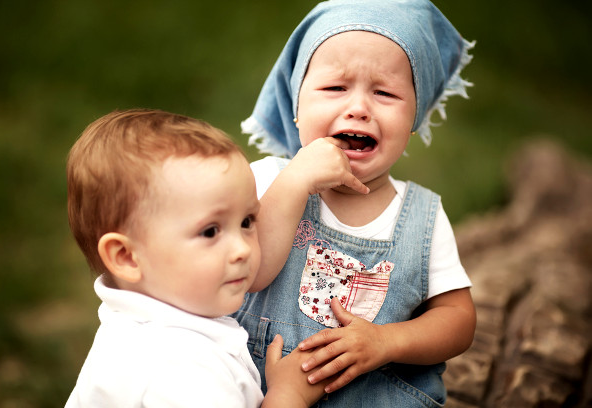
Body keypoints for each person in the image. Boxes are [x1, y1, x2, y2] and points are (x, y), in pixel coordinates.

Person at [233, 0, 478, 406]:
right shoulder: (265, 180)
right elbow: (248, 272)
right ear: (296, 107)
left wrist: (386, 340)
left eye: (385, 92)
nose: (359, 108)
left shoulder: (423, 217)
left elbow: (458, 320)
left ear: (414, 119)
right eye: (335, 88)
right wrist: (294, 181)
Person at [65, 109, 328, 407]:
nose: (242, 249)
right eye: (210, 231)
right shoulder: (179, 370)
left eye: (246, 222)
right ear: (127, 257)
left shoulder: (141, 327)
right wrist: (286, 396)